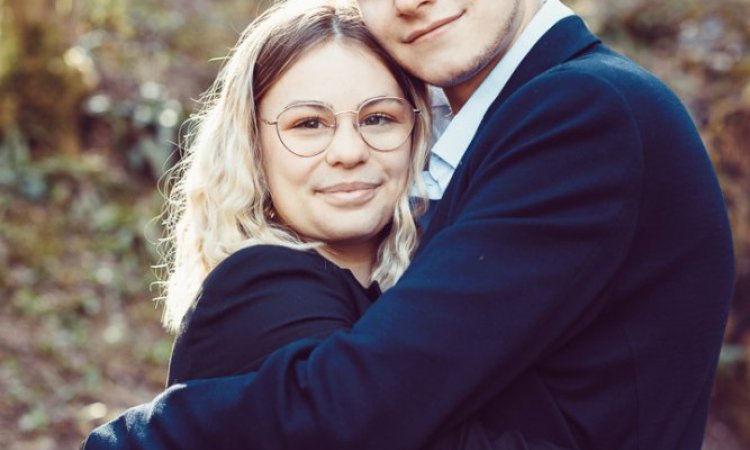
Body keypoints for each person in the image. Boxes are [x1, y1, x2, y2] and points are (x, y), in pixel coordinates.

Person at [84, 0, 735, 448]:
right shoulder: (523, 123)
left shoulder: (582, 110)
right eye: (309, 123)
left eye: (378, 119)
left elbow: (365, 406)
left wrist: (140, 438)